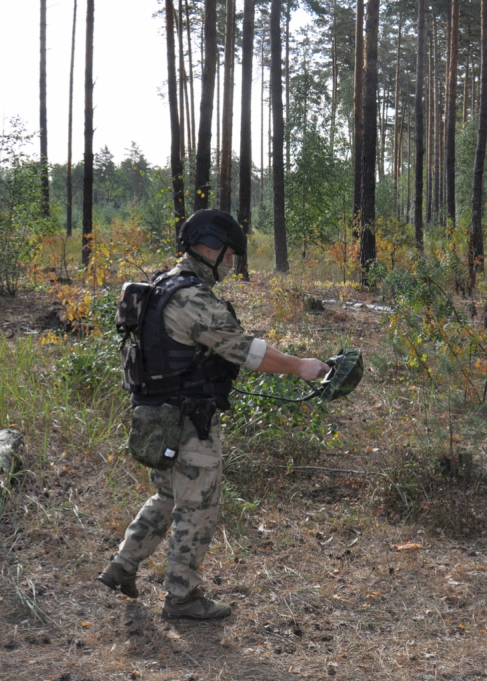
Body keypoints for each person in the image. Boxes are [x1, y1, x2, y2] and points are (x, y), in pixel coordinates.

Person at [97, 209, 329, 620]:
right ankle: (182, 598)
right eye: (227, 255)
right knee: (197, 506)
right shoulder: (190, 298)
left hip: (155, 418)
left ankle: (122, 567)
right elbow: (245, 350)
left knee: (168, 496)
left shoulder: (159, 285)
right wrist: (300, 366)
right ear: (207, 248)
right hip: (188, 422)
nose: (230, 264)